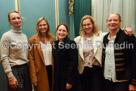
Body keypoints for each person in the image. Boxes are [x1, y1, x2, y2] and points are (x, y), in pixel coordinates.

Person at [102, 13, 136, 91]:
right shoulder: (105, 38)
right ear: (107, 23)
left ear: (120, 22)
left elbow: (134, 60)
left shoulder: (128, 36)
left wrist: (133, 82)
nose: (112, 22)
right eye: (110, 20)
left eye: (115, 20)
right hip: (107, 79)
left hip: (123, 80)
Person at [0, 10, 32, 91]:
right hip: (14, 70)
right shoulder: (6, 36)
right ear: (9, 21)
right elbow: (4, 58)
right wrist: (10, 77)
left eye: (18, 18)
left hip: (25, 68)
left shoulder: (24, 36)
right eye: (13, 18)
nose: (17, 20)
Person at [74, 15, 104, 91]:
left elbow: (113, 33)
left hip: (96, 70)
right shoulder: (77, 40)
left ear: (93, 25)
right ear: (82, 27)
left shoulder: (100, 37)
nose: (87, 27)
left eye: (88, 24)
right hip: (83, 71)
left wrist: (126, 29)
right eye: (84, 25)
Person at [52, 24, 82, 91]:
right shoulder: (54, 44)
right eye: (59, 30)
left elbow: (73, 64)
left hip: (67, 77)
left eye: (64, 31)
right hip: (58, 77)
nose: (61, 32)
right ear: (56, 31)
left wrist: (70, 81)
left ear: (67, 32)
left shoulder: (71, 43)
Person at [29, 17, 55, 91]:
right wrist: (34, 77)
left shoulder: (52, 39)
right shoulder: (32, 40)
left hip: (52, 70)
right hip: (40, 72)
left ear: (47, 26)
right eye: (40, 25)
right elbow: (31, 60)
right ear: (37, 27)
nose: (43, 27)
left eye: (44, 25)